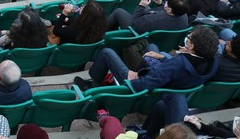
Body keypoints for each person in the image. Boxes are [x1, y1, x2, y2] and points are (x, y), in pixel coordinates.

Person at [75, 26, 219, 90]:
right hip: (175, 79)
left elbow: (150, 82)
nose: (187, 39)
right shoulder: (212, 62)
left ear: (192, 47)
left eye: (190, 39)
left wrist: (134, 78)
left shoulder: (179, 63)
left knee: (107, 52)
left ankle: (94, 85)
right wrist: (162, 58)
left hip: (141, 82)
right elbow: (177, 70)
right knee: (152, 48)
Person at [105, 0, 190, 33]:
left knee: (118, 12)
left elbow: (134, 26)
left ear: (170, 9)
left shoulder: (152, 19)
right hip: (160, 35)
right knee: (147, 8)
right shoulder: (183, 15)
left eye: (167, 3)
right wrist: (161, 4)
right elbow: (167, 14)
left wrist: (141, 6)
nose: (166, 3)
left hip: (135, 33)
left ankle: (104, 32)